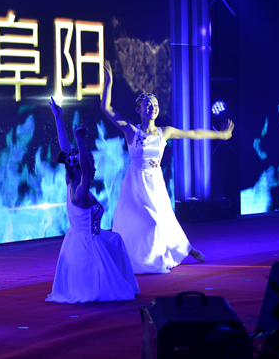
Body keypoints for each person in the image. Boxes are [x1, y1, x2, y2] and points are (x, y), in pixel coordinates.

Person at [100, 62, 234, 274]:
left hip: (155, 182)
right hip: (135, 184)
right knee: (145, 223)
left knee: (164, 220)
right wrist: (109, 83)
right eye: (147, 104)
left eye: (155, 104)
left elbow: (195, 134)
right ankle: (143, 257)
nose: (152, 107)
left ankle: (187, 249)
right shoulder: (131, 131)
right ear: (138, 109)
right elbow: (106, 109)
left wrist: (221, 135)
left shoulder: (165, 131)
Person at [46, 98, 139, 303]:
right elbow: (86, 170)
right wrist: (80, 141)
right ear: (79, 168)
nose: (93, 167)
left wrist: (58, 118)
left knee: (115, 239)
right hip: (86, 246)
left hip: (81, 239)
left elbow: (66, 151)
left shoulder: (72, 181)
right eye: (89, 163)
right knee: (112, 248)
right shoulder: (79, 192)